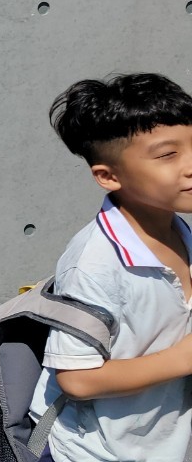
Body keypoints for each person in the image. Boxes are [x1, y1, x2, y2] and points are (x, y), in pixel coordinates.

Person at [28, 73, 192, 462]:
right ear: (108, 176)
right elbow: (78, 379)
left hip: (166, 441)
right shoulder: (94, 263)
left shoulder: (181, 230)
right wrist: (184, 358)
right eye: (167, 155)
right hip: (97, 450)